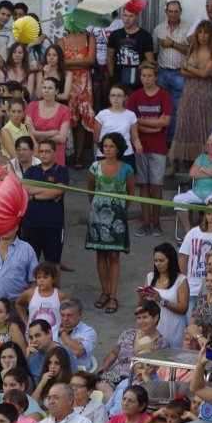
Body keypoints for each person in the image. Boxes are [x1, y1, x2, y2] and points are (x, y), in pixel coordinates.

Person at [87, 132, 136, 315]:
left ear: (119, 149)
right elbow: (90, 191)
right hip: (97, 216)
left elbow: (130, 193)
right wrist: (97, 208)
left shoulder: (127, 169)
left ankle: (113, 296)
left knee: (114, 256)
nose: (108, 149)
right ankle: (104, 292)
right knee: (101, 254)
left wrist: (120, 210)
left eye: (112, 146)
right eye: (105, 146)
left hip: (117, 217)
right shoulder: (94, 167)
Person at [168, 20, 212, 169]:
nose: (202, 36)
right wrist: (203, 73)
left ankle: (202, 160)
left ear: (211, 35)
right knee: (184, 122)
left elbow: (204, 73)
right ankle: (176, 161)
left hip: (205, 92)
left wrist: (190, 68)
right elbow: (181, 71)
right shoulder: (192, 48)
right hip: (189, 90)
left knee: (203, 124)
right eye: (200, 32)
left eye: (206, 33)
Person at [128, 62, 172, 236]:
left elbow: (166, 122)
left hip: (158, 147)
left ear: (156, 77)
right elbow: (132, 122)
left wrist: (141, 122)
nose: (145, 79)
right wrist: (153, 127)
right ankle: (146, 222)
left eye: (149, 75)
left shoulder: (164, 95)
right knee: (143, 185)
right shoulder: (135, 96)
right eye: (143, 76)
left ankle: (157, 222)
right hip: (140, 146)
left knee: (157, 186)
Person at [21, 139, 71, 267]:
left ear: (54, 153)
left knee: (54, 262)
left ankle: (55, 288)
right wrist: (49, 188)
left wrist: (35, 196)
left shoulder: (62, 171)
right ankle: (32, 288)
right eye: (41, 151)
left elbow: (57, 192)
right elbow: (25, 188)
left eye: (47, 151)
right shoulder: (31, 170)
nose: (44, 154)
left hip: (53, 224)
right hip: (31, 223)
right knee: (29, 262)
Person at [60, 20, 98, 168]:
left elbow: (90, 61)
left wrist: (70, 62)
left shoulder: (90, 38)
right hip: (67, 82)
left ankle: (79, 156)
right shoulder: (61, 40)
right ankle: (67, 154)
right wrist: (80, 63)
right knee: (68, 119)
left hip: (84, 84)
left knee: (82, 120)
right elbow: (60, 62)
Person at [154, 0, 188, 163]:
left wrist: (173, 44)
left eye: (176, 11)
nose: (173, 14)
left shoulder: (188, 28)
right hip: (162, 72)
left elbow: (191, 50)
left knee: (177, 109)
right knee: (161, 108)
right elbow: (154, 52)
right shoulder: (159, 29)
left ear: (181, 12)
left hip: (180, 74)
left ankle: (173, 142)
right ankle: (161, 140)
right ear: (166, 12)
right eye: (170, 11)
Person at [141, 243, 191, 348]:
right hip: (152, 330)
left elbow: (183, 308)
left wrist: (161, 300)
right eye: (156, 260)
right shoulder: (150, 277)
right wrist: (141, 297)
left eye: (161, 260)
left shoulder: (181, 280)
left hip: (173, 330)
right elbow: (142, 307)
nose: (158, 264)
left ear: (170, 260)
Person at [26, 77, 71, 166]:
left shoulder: (64, 110)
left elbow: (62, 138)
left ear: (57, 91)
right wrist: (51, 133)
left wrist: (37, 134)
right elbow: (28, 130)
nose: (46, 91)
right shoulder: (32, 106)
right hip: (36, 152)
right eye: (44, 88)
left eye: (50, 88)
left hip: (55, 153)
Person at [107, 8, 154, 90]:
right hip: (118, 78)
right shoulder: (115, 35)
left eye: (131, 16)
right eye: (125, 15)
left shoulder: (145, 36)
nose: (127, 19)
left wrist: (146, 79)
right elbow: (110, 57)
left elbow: (150, 61)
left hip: (138, 79)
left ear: (136, 17)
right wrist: (112, 76)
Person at [16, 261, 64, 331]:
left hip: (54, 336)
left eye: (45, 277)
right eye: (39, 277)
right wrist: (26, 321)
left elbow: (70, 310)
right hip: (33, 335)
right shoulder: (29, 293)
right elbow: (18, 304)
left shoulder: (61, 295)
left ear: (54, 279)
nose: (41, 280)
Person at [54, 298, 97, 372]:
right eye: (62, 314)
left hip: (79, 375)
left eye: (69, 315)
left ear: (80, 315)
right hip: (56, 373)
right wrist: (73, 343)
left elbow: (76, 351)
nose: (65, 319)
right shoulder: (52, 329)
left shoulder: (88, 332)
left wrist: (62, 333)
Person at [24, 319, 70, 383]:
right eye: (31, 337)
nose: (34, 340)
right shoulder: (32, 355)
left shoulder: (65, 352)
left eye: (37, 335)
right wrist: (25, 359)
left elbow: (71, 379)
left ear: (49, 333)